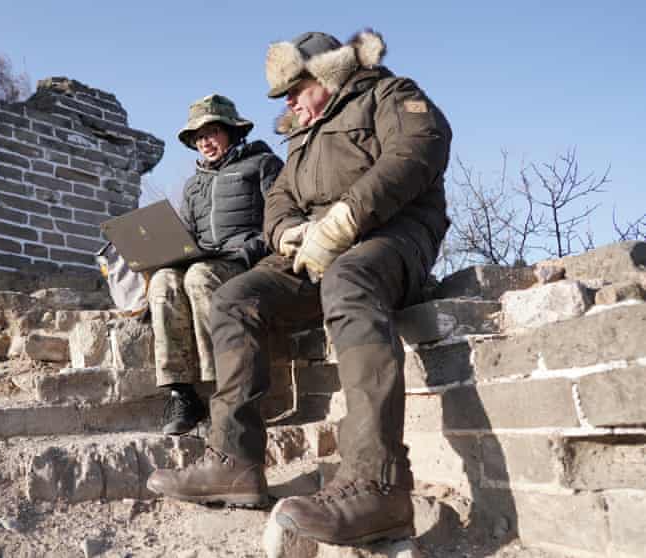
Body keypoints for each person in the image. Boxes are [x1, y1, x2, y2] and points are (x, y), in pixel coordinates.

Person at [147, 30, 452, 546]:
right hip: (312, 251)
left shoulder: (390, 95)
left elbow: (420, 149)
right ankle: (235, 462)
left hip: (391, 238)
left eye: (296, 86)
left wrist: (345, 218)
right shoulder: (301, 139)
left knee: (349, 279)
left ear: (329, 73)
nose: (287, 101)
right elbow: (280, 201)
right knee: (232, 297)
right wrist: (289, 231)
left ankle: (377, 485)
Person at [150, 94, 283, 436]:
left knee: (199, 276)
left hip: (246, 261)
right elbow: (188, 236)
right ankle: (182, 394)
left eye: (211, 132)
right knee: (164, 280)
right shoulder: (193, 185)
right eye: (198, 137)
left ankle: (226, 391)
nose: (204, 142)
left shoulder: (263, 164)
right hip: (205, 259)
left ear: (232, 132)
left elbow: (280, 221)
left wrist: (247, 251)